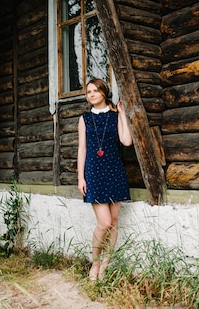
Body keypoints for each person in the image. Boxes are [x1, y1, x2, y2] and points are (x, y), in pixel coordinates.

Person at [77, 78, 132, 280]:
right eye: (88, 91)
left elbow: (126, 141)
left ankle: (106, 265)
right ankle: (96, 263)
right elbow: (82, 149)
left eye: (95, 91)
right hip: (94, 173)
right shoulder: (84, 119)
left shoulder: (115, 116)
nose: (91, 94)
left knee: (114, 221)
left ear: (103, 92)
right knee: (104, 223)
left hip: (115, 171)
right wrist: (80, 177)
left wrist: (123, 115)